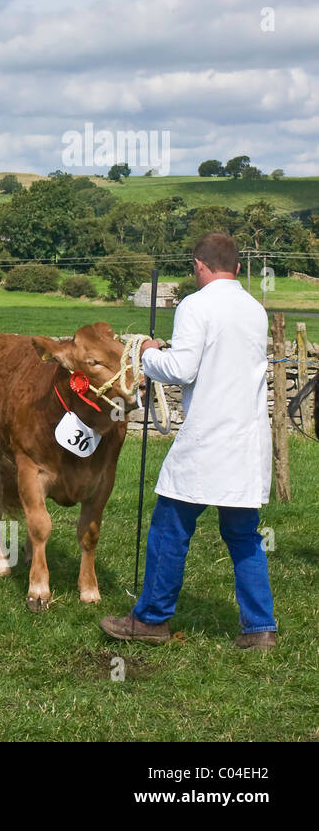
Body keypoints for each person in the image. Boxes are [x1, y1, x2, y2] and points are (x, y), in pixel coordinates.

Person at [101, 233, 277, 650]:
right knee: (244, 535)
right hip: (246, 441)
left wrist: (146, 351)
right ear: (234, 267)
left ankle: (151, 619)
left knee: (169, 528)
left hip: (207, 440)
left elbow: (181, 368)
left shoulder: (195, 305)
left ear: (199, 264)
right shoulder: (255, 309)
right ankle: (260, 627)